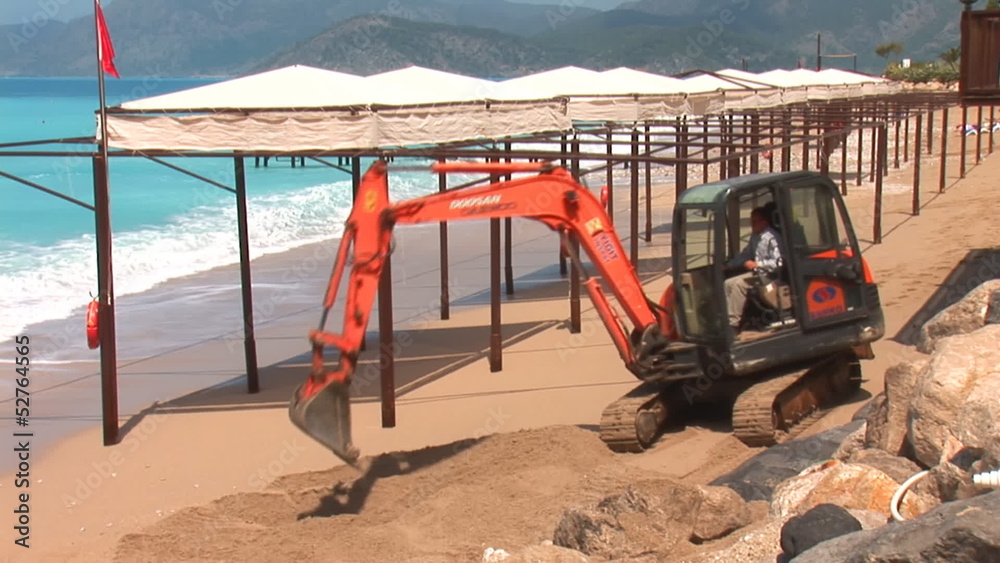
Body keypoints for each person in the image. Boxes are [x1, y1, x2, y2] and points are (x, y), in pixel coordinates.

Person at [724, 205, 783, 333]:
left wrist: (758, 264)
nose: (751, 224)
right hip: (758, 274)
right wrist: (731, 264)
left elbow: (779, 262)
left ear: (764, 222)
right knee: (728, 283)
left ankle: (733, 326)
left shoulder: (772, 238)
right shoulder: (756, 237)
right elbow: (746, 254)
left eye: (754, 222)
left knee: (739, 285)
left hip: (770, 277)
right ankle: (731, 318)